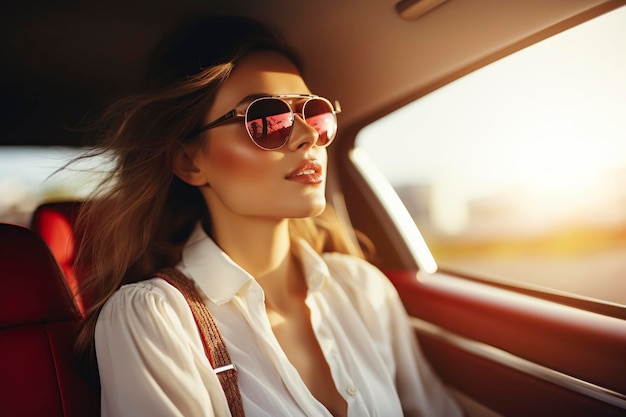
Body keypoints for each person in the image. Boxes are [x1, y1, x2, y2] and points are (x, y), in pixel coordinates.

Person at [73, 15, 463, 417]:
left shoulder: (363, 290)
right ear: (190, 162)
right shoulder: (155, 319)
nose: (308, 136)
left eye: (315, 114)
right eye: (266, 120)